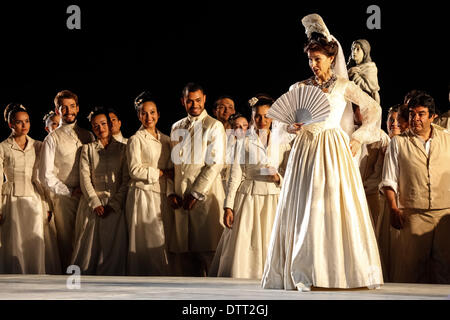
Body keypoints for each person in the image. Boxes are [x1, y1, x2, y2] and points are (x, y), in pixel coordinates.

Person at [261, 14, 383, 291]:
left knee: (331, 206)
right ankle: (304, 271)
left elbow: (373, 109)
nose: (313, 64)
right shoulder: (299, 87)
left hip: (333, 150)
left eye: (318, 59)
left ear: (331, 59)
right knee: (303, 207)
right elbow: (279, 123)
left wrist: (359, 137)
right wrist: (291, 128)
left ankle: (338, 272)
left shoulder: (343, 86)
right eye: (310, 59)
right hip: (305, 152)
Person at [209, 95, 291, 279]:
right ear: (252, 116)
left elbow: (289, 171)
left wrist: (279, 177)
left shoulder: (283, 143)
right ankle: (242, 278)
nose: (262, 121)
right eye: (258, 116)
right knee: (247, 241)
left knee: (269, 238)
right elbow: (235, 175)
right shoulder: (243, 142)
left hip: (273, 198)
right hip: (249, 197)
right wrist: (228, 206)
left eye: (267, 116)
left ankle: (271, 277)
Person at [380, 92, 450, 284]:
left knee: (444, 269)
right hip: (413, 214)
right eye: (412, 114)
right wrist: (394, 208)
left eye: (421, 114)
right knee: (410, 270)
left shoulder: (447, 139)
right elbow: (389, 180)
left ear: (432, 116)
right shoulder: (399, 142)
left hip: (444, 214)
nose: (415, 119)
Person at [168, 82, 226, 276]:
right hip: (180, 199)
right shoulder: (176, 127)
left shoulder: (214, 126)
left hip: (204, 197)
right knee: (184, 259)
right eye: (189, 101)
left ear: (205, 100)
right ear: (183, 101)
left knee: (208, 255)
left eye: (198, 100)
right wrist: (171, 192)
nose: (194, 105)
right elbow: (172, 166)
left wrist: (196, 193)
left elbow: (215, 163)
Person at [39, 90, 95, 272]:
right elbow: (45, 175)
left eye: (72, 106)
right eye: (64, 107)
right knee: (67, 243)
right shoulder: (52, 139)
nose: (69, 110)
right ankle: (68, 289)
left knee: (86, 242)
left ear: (78, 108)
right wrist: (69, 191)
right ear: (57, 110)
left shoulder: (88, 135)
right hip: (65, 199)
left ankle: (88, 286)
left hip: (87, 197)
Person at [0, 104, 58, 274]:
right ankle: (14, 278)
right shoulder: (3, 147)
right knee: (14, 241)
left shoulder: (38, 145)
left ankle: (36, 276)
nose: (24, 125)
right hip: (11, 198)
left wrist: (47, 205)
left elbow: (43, 177)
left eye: (27, 121)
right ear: (11, 124)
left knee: (34, 239)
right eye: (19, 122)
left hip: (34, 198)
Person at [71, 107, 129, 275]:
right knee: (87, 250)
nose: (100, 128)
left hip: (115, 205)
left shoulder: (123, 149)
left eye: (103, 124)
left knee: (114, 250)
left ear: (109, 125)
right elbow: (85, 179)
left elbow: (126, 180)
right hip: (93, 206)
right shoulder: (87, 149)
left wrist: (115, 204)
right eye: (96, 126)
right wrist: (95, 203)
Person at [126, 92, 175, 275]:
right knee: (145, 237)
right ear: (139, 115)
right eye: (144, 113)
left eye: (152, 112)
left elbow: (172, 171)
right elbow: (134, 170)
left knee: (163, 236)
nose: (149, 117)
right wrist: (159, 173)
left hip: (162, 194)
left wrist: (170, 191)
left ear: (158, 114)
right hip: (143, 193)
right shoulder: (135, 139)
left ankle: (164, 276)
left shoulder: (166, 140)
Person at [347, 39, 380, 104]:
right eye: (353, 49)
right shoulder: (350, 67)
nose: (354, 51)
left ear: (365, 52)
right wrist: (348, 73)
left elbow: (369, 88)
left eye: (358, 49)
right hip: (349, 101)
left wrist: (354, 75)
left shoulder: (370, 68)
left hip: (364, 103)